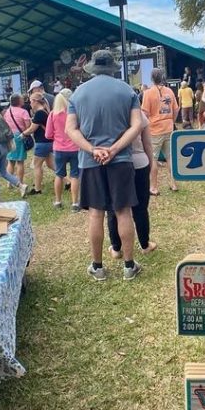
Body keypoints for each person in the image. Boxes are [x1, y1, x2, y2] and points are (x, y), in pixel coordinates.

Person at [65, 50, 143, 281]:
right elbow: (136, 125)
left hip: (90, 162)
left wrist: (93, 150)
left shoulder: (78, 94)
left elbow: (71, 129)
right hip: (120, 160)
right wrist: (115, 148)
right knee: (123, 211)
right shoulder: (127, 91)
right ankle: (129, 265)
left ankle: (97, 267)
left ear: (92, 68)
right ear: (113, 67)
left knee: (96, 214)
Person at [106, 107, 155, 257]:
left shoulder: (109, 112)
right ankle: (145, 244)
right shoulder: (138, 113)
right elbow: (147, 143)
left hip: (115, 163)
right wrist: (151, 162)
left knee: (115, 208)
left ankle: (116, 248)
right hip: (139, 162)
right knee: (141, 207)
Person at [141, 69, 178, 195]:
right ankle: (173, 184)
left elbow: (145, 113)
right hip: (168, 127)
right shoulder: (169, 91)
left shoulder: (148, 93)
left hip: (154, 129)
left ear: (151, 78)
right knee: (170, 157)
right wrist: (171, 120)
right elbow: (176, 109)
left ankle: (154, 187)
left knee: (153, 159)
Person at [46, 89, 81, 211]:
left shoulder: (52, 114)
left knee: (59, 175)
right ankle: (75, 203)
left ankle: (58, 201)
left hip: (59, 148)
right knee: (75, 175)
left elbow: (48, 134)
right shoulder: (75, 113)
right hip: (75, 148)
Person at [24, 94, 54, 194]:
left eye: (31, 101)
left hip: (42, 142)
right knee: (51, 164)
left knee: (37, 165)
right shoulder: (45, 111)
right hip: (49, 142)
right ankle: (68, 181)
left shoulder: (39, 113)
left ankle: (37, 189)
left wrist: (23, 134)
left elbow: (32, 128)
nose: (30, 104)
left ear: (35, 101)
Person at [2, 94, 30, 185]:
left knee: (11, 160)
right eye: (22, 99)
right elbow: (28, 126)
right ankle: (20, 182)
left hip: (9, 136)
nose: (23, 100)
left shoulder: (7, 112)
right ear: (18, 101)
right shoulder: (23, 112)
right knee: (20, 161)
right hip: (19, 136)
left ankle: (9, 181)